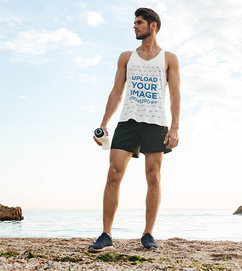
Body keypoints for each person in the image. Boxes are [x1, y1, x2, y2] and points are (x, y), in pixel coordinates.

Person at [88, 7, 180, 252]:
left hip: (156, 123)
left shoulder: (169, 58)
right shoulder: (126, 57)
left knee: (153, 177)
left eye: (139, 22)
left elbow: (175, 94)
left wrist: (175, 128)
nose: (134, 26)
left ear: (153, 26)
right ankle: (106, 234)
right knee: (114, 174)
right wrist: (104, 123)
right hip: (128, 121)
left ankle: (148, 233)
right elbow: (117, 92)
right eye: (134, 23)